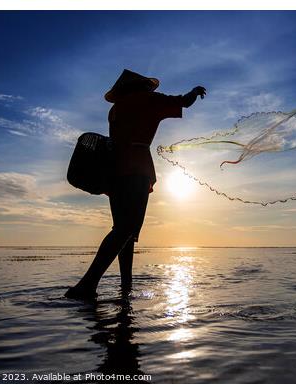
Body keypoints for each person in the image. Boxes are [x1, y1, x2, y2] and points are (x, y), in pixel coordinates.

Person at [65, 69, 206, 299]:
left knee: (122, 229)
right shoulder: (149, 100)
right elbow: (184, 102)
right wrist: (194, 90)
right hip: (137, 170)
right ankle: (88, 284)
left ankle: (125, 287)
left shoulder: (115, 109)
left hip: (114, 172)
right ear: (141, 86)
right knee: (127, 229)